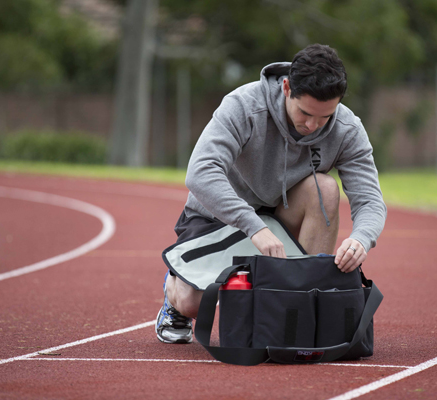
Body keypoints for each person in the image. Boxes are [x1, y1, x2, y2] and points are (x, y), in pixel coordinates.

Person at [156, 44, 387, 344]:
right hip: (219, 217)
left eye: (325, 117)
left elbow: (370, 199)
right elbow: (200, 172)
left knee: (325, 188)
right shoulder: (244, 105)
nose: (313, 126)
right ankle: (173, 291)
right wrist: (254, 227)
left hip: (282, 215)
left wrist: (362, 239)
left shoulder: (347, 128)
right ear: (287, 87)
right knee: (192, 301)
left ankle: (301, 303)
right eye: (305, 113)